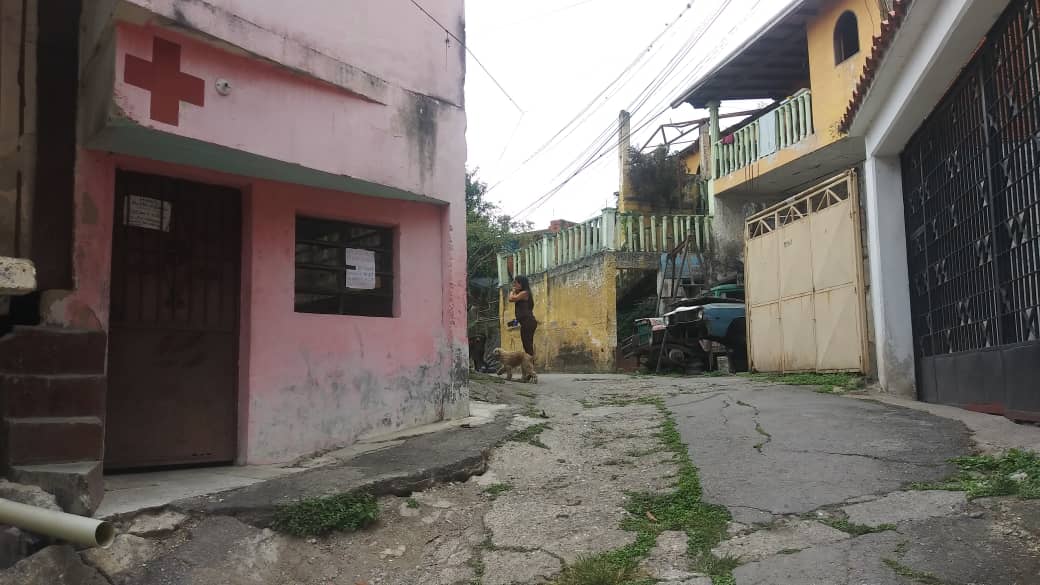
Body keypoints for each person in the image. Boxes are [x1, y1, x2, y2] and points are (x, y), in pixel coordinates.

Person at [508, 275, 538, 357]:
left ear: (522, 284)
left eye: (516, 283)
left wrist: (512, 291)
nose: (515, 285)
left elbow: (511, 299)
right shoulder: (522, 293)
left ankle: (530, 365)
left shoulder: (525, 293)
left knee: (527, 344)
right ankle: (530, 364)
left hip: (528, 322)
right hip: (526, 322)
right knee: (527, 344)